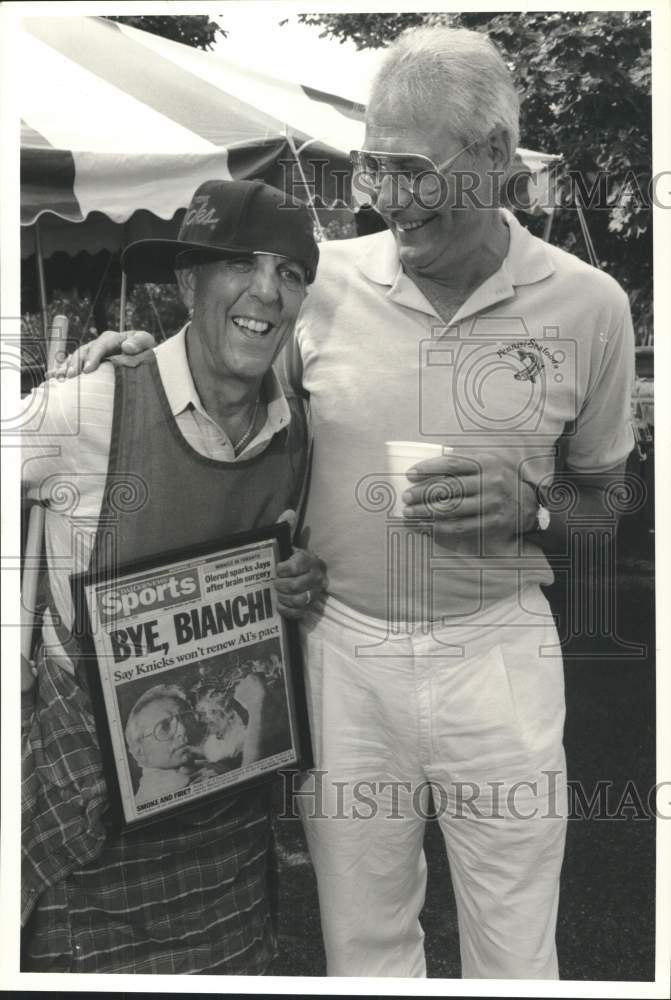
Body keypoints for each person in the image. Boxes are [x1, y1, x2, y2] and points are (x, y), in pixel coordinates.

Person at [60, 26, 636, 980]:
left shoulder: (590, 306)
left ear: (493, 157)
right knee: (361, 947)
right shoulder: (322, 287)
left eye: (413, 169)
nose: (387, 199)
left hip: (497, 657)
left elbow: (606, 506)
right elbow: (228, 395)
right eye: (375, 167)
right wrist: (130, 365)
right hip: (342, 658)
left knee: (515, 944)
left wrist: (530, 509)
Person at [21, 179, 327, 974]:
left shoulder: (297, 432)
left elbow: (287, 566)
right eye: (239, 265)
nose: (267, 290)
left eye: (289, 272)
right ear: (188, 284)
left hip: (224, 828)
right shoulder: (87, 408)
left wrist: (295, 585)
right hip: (93, 824)